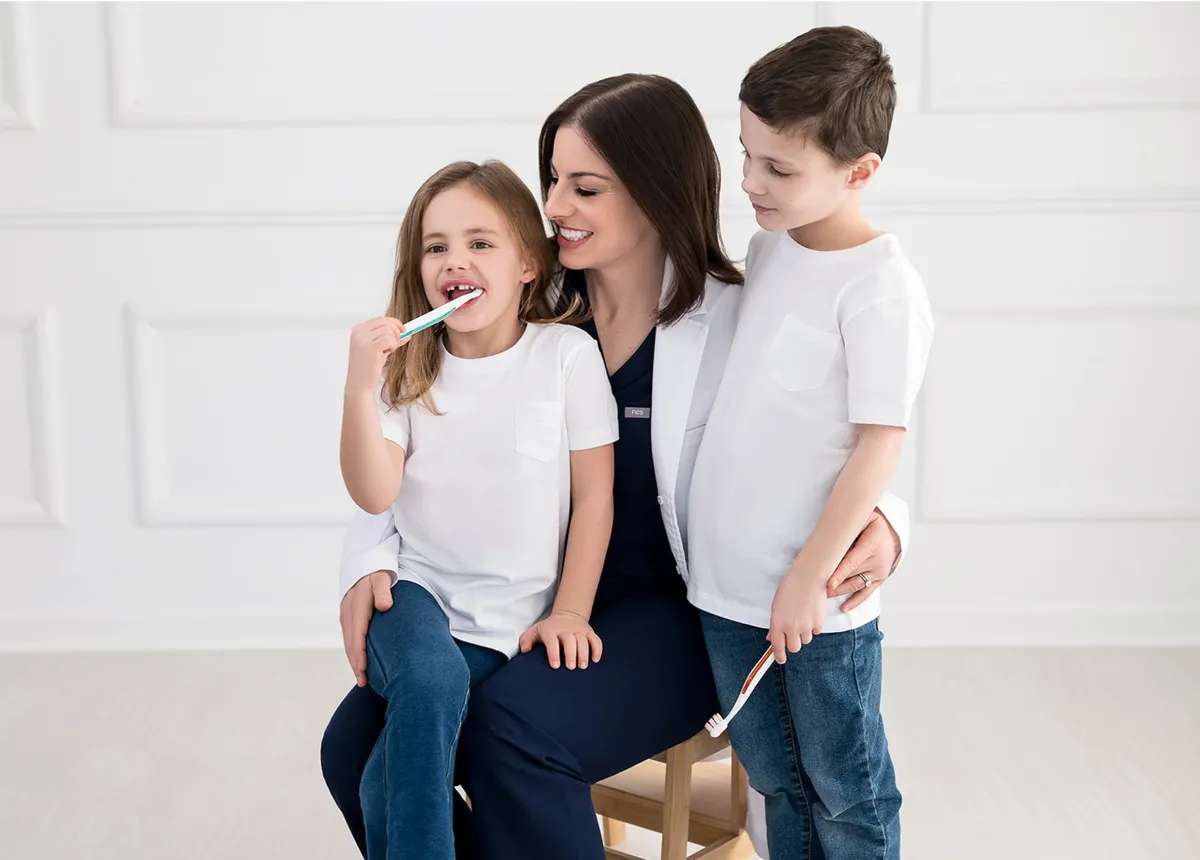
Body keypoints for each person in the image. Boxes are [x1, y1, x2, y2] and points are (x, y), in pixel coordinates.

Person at [322, 73, 912, 860]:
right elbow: (423, 427)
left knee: (506, 730)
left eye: (585, 188)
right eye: (553, 181)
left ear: (652, 192)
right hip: (516, 602)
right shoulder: (520, 312)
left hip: (671, 613)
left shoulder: (736, 314)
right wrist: (367, 559)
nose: (556, 207)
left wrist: (891, 524)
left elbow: (850, 426)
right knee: (352, 744)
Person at [687, 27, 935, 860]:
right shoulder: (766, 252)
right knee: (775, 785)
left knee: (847, 792)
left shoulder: (880, 288)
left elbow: (879, 444)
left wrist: (805, 578)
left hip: (817, 609)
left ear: (860, 170)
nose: (751, 183)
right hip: (725, 595)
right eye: (747, 156)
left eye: (779, 169)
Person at [339, 159, 618, 860]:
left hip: (507, 625)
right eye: (436, 246)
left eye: (479, 243)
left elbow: (595, 501)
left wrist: (572, 610)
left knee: (381, 786)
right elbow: (374, 493)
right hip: (416, 600)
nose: (454, 260)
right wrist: (357, 387)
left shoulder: (566, 358)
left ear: (528, 261)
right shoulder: (412, 370)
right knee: (430, 682)